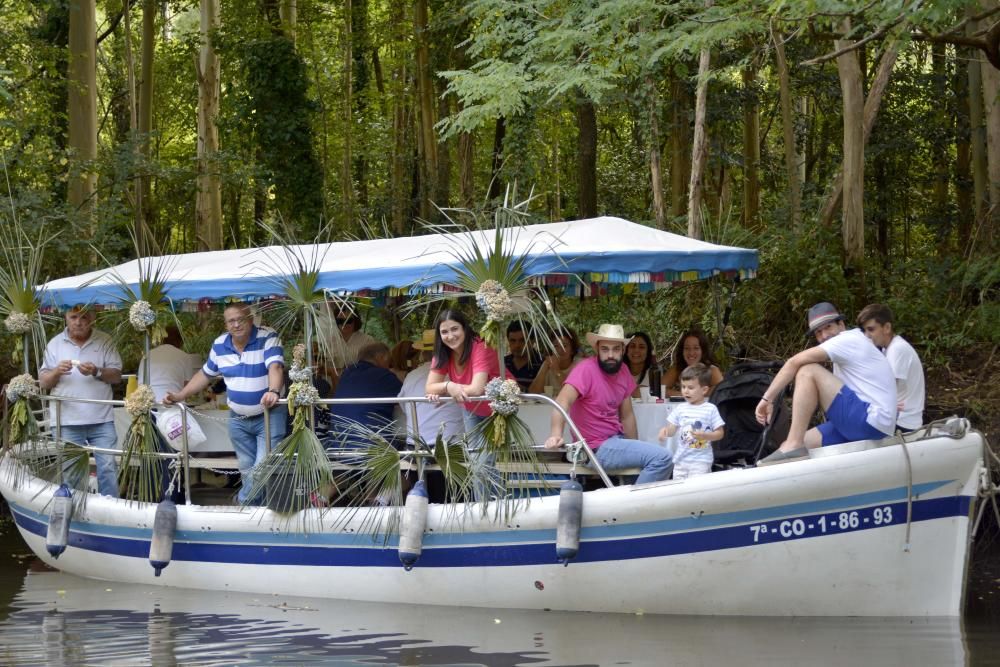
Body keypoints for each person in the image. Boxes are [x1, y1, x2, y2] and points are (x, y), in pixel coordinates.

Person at [164, 303, 286, 503]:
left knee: (262, 467)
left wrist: (273, 391)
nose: (236, 324)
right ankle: (256, 513)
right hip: (238, 418)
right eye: (231, 321)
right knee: (247, 469)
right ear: (226, 324)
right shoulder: (220, 344)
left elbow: (275, 367)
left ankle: (242, 502)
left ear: (250, 319)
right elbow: (205, 374)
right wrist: (180, 395)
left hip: (269, 414)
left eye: (241, 319)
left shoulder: (267, 336)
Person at [755, 302, 897, 465]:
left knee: (807, 370)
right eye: (818, 332)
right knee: (804, 442)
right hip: (870, 422)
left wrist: (767, 400)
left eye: (828, 327)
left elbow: (793, 362)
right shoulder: (850, 344)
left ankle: (793, 445)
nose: (823, 336)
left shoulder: (848, 339)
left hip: (871, 422)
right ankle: (792, 451)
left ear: (841, 324)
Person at [544, 323, 673, 484]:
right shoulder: (585, 369)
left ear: (623, 350)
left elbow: (627, 416)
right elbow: (562, 401)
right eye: (605, 349)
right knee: (663, 457)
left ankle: (628, 501)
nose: (610, 355)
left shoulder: (623, 370)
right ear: (597, 349)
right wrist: (556, 434)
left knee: (648, 462)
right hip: (594, 448)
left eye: (616, 349)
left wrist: (633, 446)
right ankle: (636, 506)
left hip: (615, 442)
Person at [39, 305, 123, 497]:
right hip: (67, 420)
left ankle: (110, 512)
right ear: (66, 318)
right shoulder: (55, 344)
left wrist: (96, 371)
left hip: (101, 419)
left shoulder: (104, 340)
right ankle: (73, 512)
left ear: (92, 319)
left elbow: (117, 376)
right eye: (74, 316)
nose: (78, 322)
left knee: (108, 468)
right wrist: (56, 372)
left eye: (84, 317)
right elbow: (44, 382)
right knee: (71, 472)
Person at [425, 309, 507, 499]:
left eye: (455, 329)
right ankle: (488, 508)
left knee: (483, 463)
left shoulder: (479, 345)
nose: (450, 336)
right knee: (477, 462)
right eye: (444, 332)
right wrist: (448, 385)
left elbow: (477, 388)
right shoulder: (442, 352)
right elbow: (429, 388)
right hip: (470, 408)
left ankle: (488, 509)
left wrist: (448, 389)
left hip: (496, 408)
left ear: (465, 328)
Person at [857, 303, 925, 432]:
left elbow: (884, 388)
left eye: (871, 329)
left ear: (887, 327)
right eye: (865, 330)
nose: (867, 335)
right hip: (897, 418)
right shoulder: (886, 349)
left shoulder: (897, 349)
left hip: (904, 422)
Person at [658, 364, 725, 480]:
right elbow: (672, 429)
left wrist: (705, 435)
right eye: (683, 387)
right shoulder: (680, 408)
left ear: (704, 390)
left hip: (701, 461)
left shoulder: (710, 409)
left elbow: (720, 433)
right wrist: (665, 432)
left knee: (697, 490)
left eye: (690, 388)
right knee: (678, 490)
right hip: (680, 460)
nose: (685, 391)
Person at [399, 330, 464, 446]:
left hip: (416, 448)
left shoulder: (411, 376)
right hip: (452, 448)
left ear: (423, 353)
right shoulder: (459, 374)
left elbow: (404, 407)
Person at [329, 342, 404, 439]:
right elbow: (406, 399)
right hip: (372, 444)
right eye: (389, 362)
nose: (389, 366)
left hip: (339, 441)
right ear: (381, 357)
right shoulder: (383, 376)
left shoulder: (346, 373)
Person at [138, 325, 203, 402]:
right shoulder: (184, 356)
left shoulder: (147, 356)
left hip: (148, 403)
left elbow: (140, 384)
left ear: (162, 339)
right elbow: (187, 386)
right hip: (174, 404)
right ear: (179, 341)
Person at [662, 329, 724, 396]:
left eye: (696, 348)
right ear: (682, 351)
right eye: (687, 348)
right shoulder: (677, 369)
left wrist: (694, 395)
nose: (691, 353)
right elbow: (659, 389)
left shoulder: (712, 370)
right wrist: (684, 395)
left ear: (703, 351)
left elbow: (722, 390)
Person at [528, 327, 581, 395]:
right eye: (556, 346)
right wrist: (545, 366)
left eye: (564, 346)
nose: (560, 350)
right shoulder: (548, 365)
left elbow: (573, 392)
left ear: (572, 350)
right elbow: (533, 393)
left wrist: (557, 370)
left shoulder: (580, 365)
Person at [504, 321, 543, 391]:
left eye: (522, 340)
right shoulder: (502, 364)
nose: (517, 345)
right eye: (513, 340)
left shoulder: (542, 364)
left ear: (533, 341)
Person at [625, 331, 661, 398]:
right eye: (632, 346)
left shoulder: (655, 371)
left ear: (648, 352)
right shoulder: (619, 370)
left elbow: (660, 393)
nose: (636, 350)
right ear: (626, 350)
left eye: (641, 347)